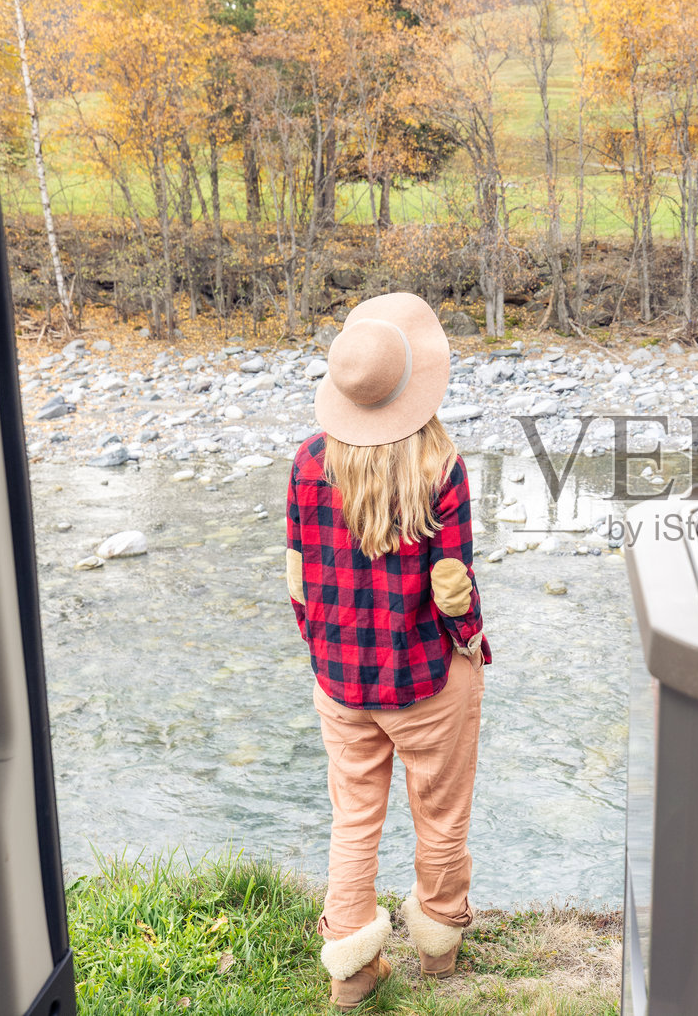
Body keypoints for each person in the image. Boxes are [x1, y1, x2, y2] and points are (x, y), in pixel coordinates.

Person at [285, 293, 491, 1010]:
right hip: (425, 681)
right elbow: (452, 589)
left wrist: (322, 651)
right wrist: (473, 650)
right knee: (440, 812)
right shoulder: (442, 465)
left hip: (340, 681)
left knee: (354, 815)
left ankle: (351, 967)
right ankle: (438, 945)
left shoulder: (309, 462)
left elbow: (299, 580)